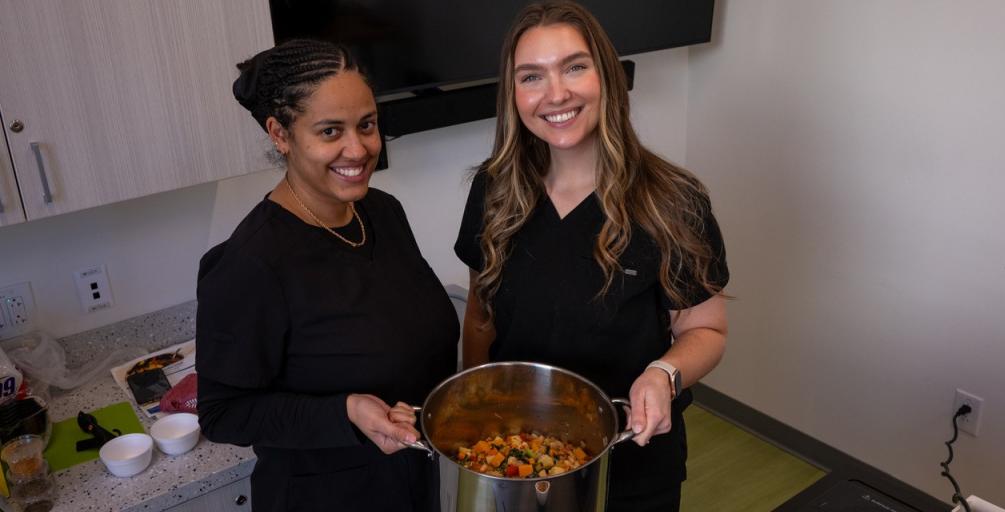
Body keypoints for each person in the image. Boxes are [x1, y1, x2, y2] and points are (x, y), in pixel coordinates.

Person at [454, 2, 730, 510]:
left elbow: (706, 331)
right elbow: (480, 317)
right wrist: (475, 428)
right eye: (531, 76)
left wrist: (663, 375)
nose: (555, 93)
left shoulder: (673, 200)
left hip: (632, 459)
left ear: (606, 74)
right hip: (516, 458)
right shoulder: (493, 190)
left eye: (574, 67)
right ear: (513, 95)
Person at [196, 39, 458, 512]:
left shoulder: (381, 213)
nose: (357, 148)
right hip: (323, 497)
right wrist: (345, 412)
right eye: (330, 131)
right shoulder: (249, 264)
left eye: (367, 125)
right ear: (280, 134)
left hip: (410, 482)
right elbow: (222, 414)